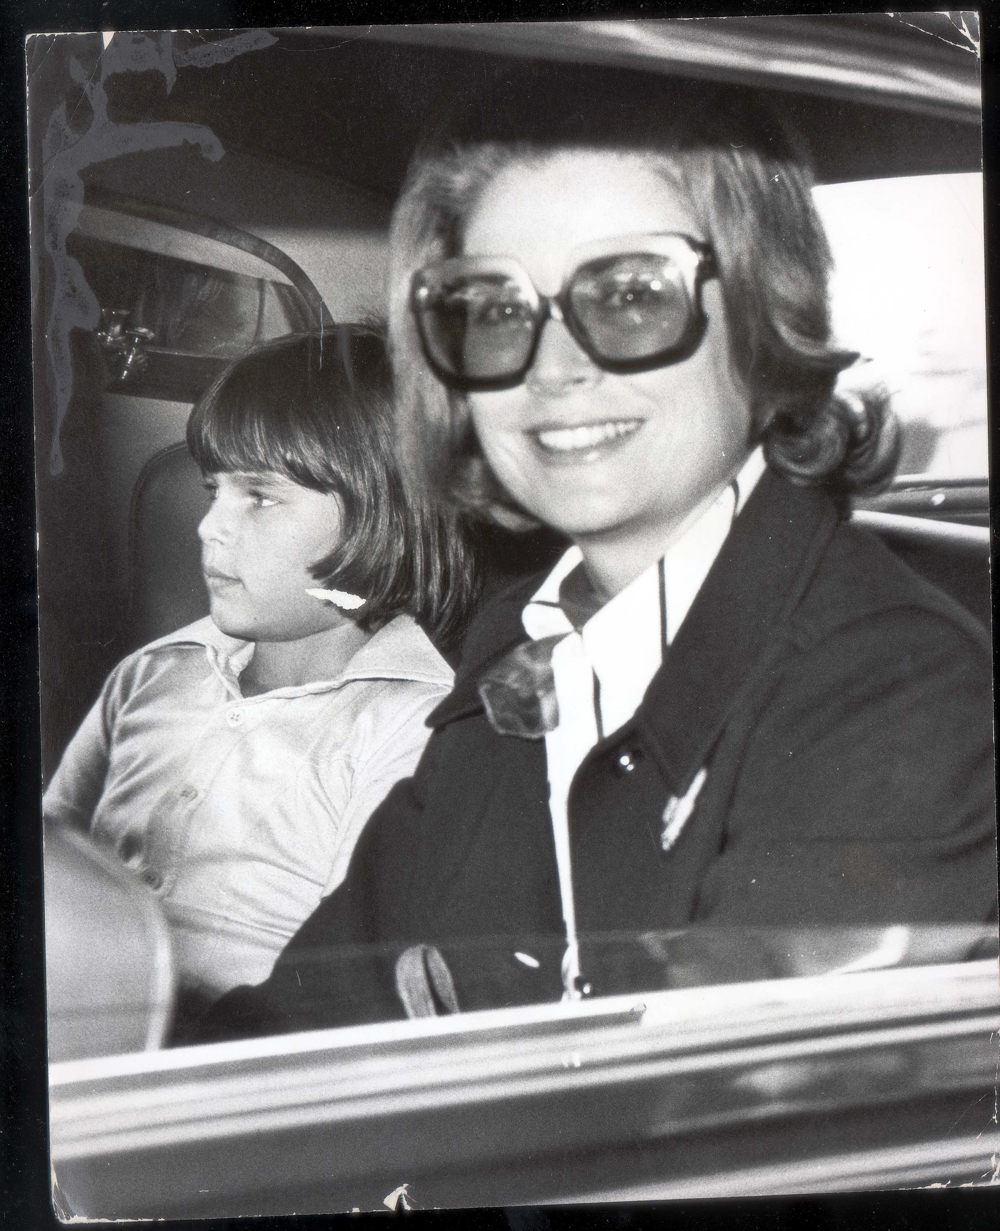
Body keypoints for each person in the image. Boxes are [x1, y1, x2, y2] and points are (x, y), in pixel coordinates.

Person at [188, 78, 996, 1042]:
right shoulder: (514, 640)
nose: (552, 366)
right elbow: (302, 1023)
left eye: (630, 295)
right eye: (491, 309)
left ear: (759, 310)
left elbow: (712, 1128)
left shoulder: (896, 690)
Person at [43, 330, 471, 1007]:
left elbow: (345, 984)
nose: (208, 526)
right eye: (214, 489)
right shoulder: (151, 675)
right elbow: (49, 867)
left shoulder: (411, 725)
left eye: (259, 497)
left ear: (378, 514)